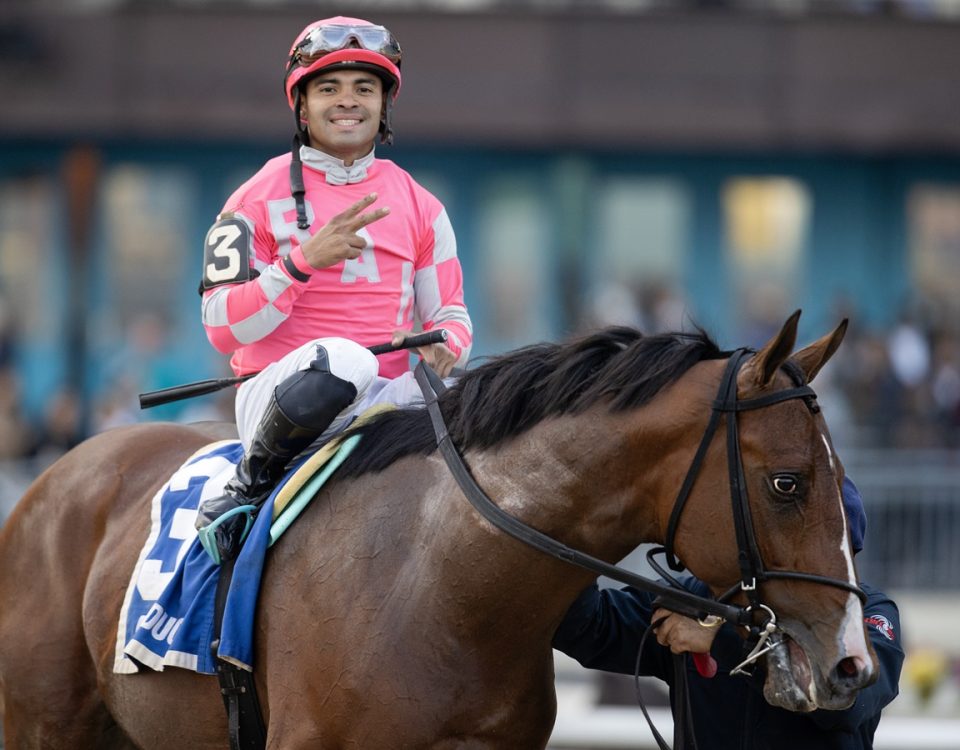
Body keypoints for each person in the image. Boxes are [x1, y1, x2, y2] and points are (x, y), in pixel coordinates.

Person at [194, 16, 472, 563]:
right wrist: (301, 264)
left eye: (364, 88)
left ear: (383, 104)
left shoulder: (423, 205)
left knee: (492, 402)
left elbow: (453, 315)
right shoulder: (251, 198)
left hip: (385, 403)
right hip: (279, 399)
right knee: (345, 360)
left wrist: (445, 344)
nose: (348, 101)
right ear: (302, 106)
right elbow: (221, 328)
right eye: (329, 89)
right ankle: (247, 488)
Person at [553, 477, 904, 750]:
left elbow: (847, 701)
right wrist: (575, 531)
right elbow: (588, 628)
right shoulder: (694, 596)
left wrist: (719, 639)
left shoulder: (870, 612)